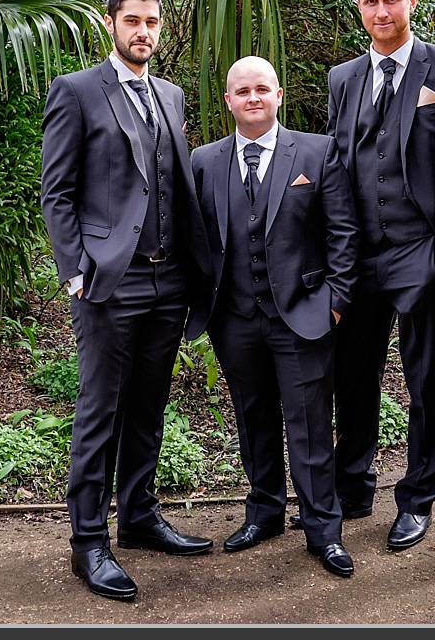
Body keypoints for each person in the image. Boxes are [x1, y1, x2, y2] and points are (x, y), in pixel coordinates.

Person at [40, 0, 211, 603]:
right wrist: (76, 269)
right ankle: (89, 540)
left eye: (153, 22)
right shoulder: (78, 91)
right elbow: (56, 192)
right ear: (112, 23)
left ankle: (138, 516)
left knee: (148, 405)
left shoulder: (170, 94)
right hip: (111, 280)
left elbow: (173, 183)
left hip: (169, 279)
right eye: (133, 20)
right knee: (100, 410)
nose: (144, 31)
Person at [320, 0, 435, 552]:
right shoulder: (344, 79)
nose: (381, 12)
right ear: (359, 8)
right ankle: (354, 485)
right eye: (370, 2)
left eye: (391, 0)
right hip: (359, 256)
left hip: (421, 250)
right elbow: (338, 167)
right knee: (352, 375)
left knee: (425, 380)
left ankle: (418, 495)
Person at [181, 56, 359, 577]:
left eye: (262, 89)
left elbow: (343, 234)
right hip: (234, 318)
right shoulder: (204, 161)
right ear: (228, 101)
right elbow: (197, 241)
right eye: (242, 91)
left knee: (307, 424)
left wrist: (336, 300)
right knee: (252, 417)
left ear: (278, 95)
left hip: (302, 315)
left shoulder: (317, 152)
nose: (253, 98)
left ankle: (323, 529)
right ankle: (264, 513)